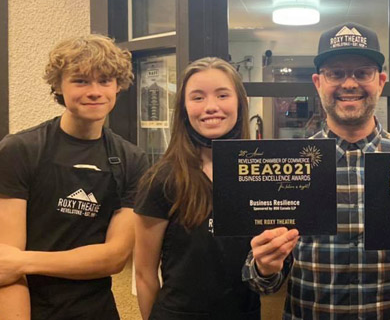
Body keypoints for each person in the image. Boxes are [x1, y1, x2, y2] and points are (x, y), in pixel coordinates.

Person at [243, 22, 390, 319]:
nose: (349, 84)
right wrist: (264, 267)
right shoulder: (287, 168)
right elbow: (262, 279)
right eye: (335, 73)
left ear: (381, 81)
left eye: (362, 73)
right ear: (317, 82)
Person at [0, 34, 149, 319]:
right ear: (58, 85)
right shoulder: (20, 150)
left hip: (97, 310)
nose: (95, 91)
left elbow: (114, 257)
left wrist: (25, 261)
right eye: (81, 81)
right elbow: (6, 267)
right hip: (31, 307)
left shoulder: (131, 160)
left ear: (118, 85)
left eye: (105, 81)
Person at [134, 57, 260, 319]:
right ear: (183, 108)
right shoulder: (161, 179)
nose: (211, 107)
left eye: (223, 95)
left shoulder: (260, 175)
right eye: (198, 97)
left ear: (240, 102)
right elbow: (144, 274)